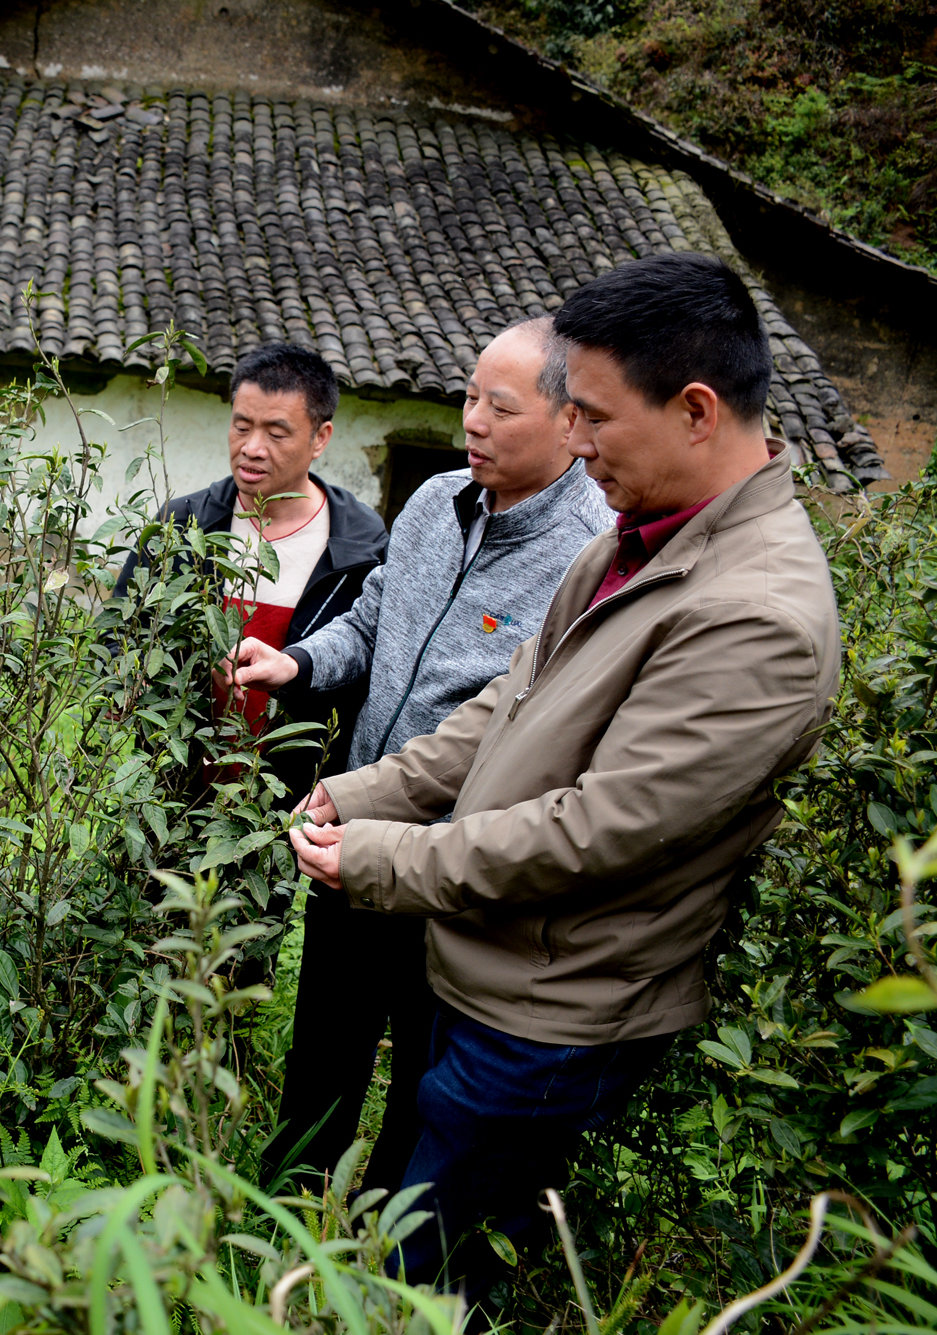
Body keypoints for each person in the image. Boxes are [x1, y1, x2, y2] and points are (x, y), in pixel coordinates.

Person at [285, 253, 840, 1316]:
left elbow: (597, 830)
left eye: (589, 416)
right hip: (489, 966)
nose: (573, 444)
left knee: (421, 1284)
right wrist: (364, 795)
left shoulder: (755, 614)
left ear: (692, 410)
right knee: (411, 1249)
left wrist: (384, 860)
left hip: (550, 1014)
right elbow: (502, 714)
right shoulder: (632, 547)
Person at [230, 318, 613, 1196]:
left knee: (427, 1071)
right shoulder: (438, 502)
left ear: (568, 419)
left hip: (456, 861)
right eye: (470, 397)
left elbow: (529, 721)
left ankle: (384, 1241)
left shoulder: (589, 554)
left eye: (500, 407)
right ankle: (284, 1208)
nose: (472, 421)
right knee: (325, 1037)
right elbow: (371, 617)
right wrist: (300, 661)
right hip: (352, 826)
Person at [112, 342, 388, 797]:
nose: (251, 448)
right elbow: (120, 635)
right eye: (241, 426)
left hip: (290, 800)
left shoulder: (360, 545)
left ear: (320, 438)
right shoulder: (181, 524)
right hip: (176, 788)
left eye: (277, 433)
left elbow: (365, 665)